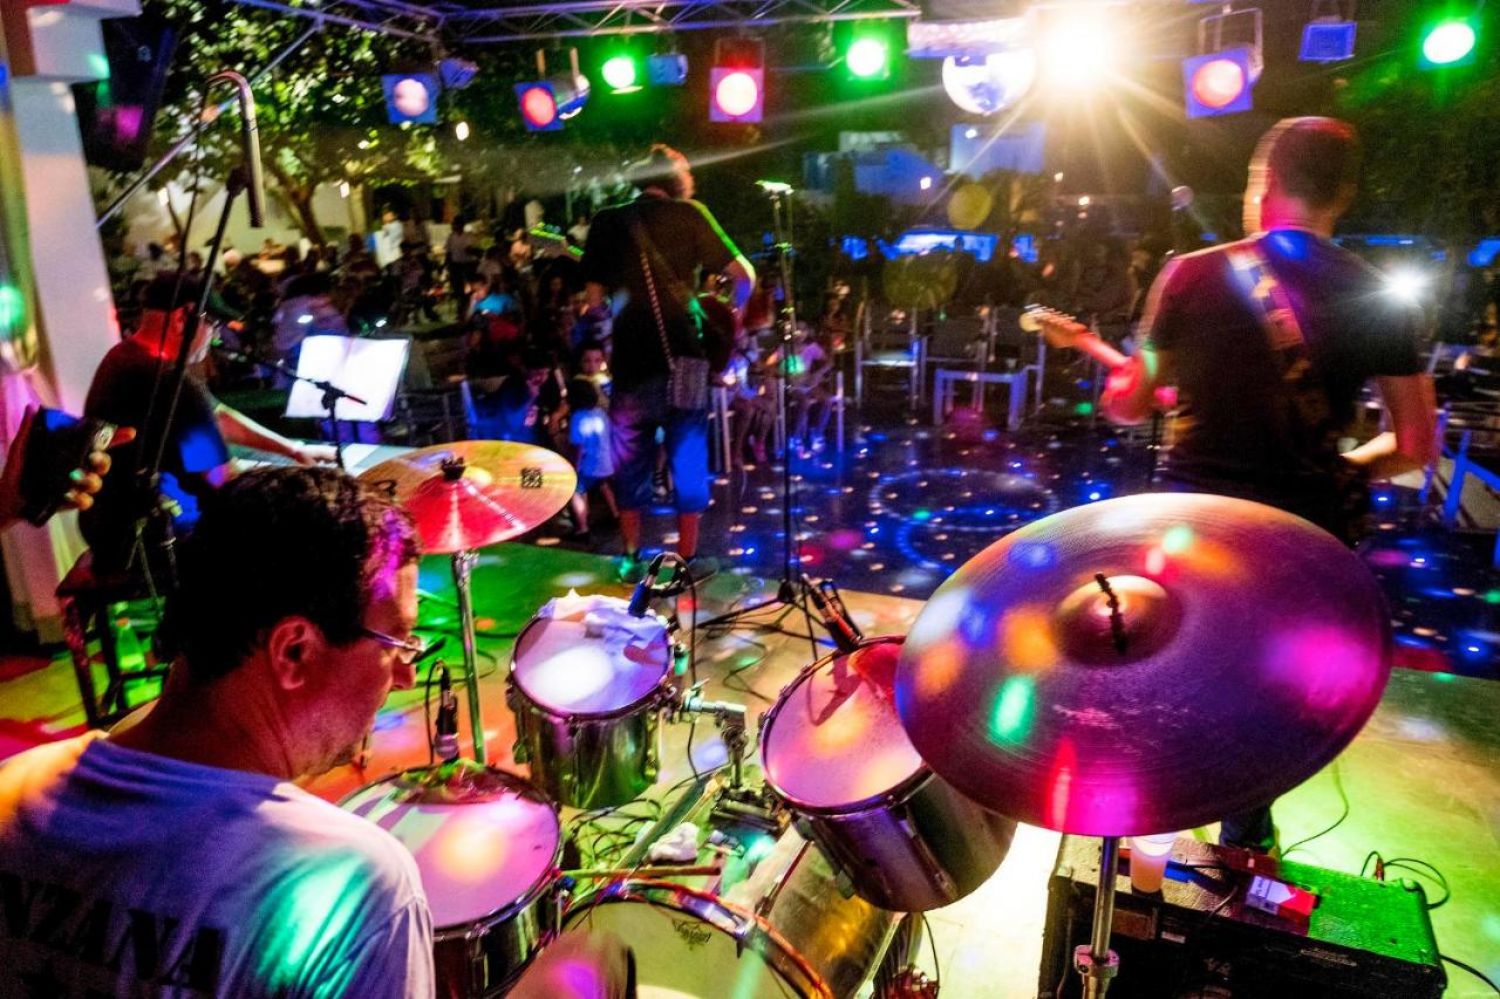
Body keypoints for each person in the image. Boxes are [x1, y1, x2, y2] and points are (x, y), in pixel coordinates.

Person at [1040, 117, 1438, 852]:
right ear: (1343, 194)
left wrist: (1120, 374)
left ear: (1264, 183)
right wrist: (1343, 468)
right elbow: (1416, 445)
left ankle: (1147, 843)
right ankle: (1242, 852)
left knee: (1166, 676)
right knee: (1260, 698)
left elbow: (1129, 405)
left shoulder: (1192, 274)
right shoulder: (1380, 294)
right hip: (1300, 538)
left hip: (1191, 527)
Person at [0, 466, 433, 996]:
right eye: (397, 642)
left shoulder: (11, 790)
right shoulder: (352, 887)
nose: (407, 675)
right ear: (295, 650)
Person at [81, 275, 336, 577]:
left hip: (108, 529)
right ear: (183, 318)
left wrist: (293, 450)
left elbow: (218, 417)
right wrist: (305, 478)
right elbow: (223, 480)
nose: (214, 335)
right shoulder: (168, 379)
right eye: (212, 323)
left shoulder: (125, 356)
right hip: (157, 540)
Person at [580, 144, 755, 583]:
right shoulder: (691, 214)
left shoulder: (607, 221)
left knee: (630, 461)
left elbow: (595, 304)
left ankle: (631, 559)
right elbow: (744, 275)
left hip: (631, 365)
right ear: (677, 181)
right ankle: (687, 562)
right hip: (686, 363)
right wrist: (731, 315)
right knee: (688, 459)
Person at [565, 378, 617, 544]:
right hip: (605, 462)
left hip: (589, 465)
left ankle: (583, 528)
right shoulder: (600, 413)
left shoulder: (577, 417)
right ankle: (616, 515)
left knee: (577, 490)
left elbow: (578, 447)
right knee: (603, 485)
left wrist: (574, 468)